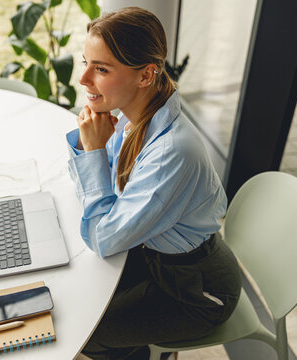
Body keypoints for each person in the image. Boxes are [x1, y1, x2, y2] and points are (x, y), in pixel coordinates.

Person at [66, 7, 242, 360]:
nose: (83, 78)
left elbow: (103, 236)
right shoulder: (134, 118)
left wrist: (93, 152)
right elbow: (97, 196)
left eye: (101, 69)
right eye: (86, 62)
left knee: (87, 332)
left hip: (196, 292)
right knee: (77, 298)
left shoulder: (170, 153)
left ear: (146, 75)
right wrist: (92, 150)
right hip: (156, 258)